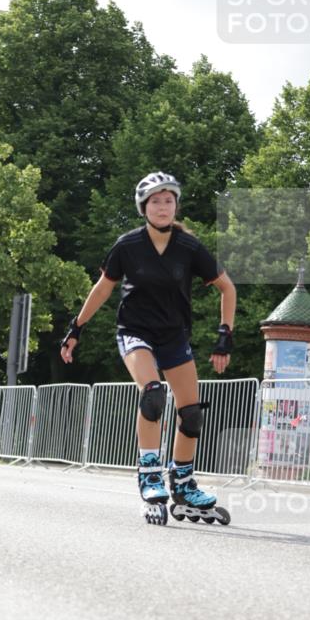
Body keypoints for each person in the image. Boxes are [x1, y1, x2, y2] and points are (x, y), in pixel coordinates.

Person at [60, 171, 236, 510]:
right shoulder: (128, 245)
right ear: (144, 207)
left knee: (191, 413)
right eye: (156, 201)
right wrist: (76, 328)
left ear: (175, 206)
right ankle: (150, 473)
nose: (163, 207)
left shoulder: (189, 247)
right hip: (135, 332)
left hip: (174, 336)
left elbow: (227, 287)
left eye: (169, 201)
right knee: (153, 394)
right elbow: (103, 288)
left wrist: (224, 335)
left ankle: (183, 484)